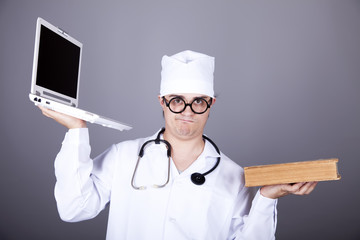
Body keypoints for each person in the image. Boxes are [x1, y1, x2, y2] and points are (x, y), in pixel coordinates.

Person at [39, 50, 317, 240]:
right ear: (162, 101)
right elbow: (73, 209)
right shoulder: (123, 157)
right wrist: (77, 130)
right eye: (176, 100)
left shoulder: (234, 176)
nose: (187, 111)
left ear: (211, 105)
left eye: (198, 101)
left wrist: (266, 199)